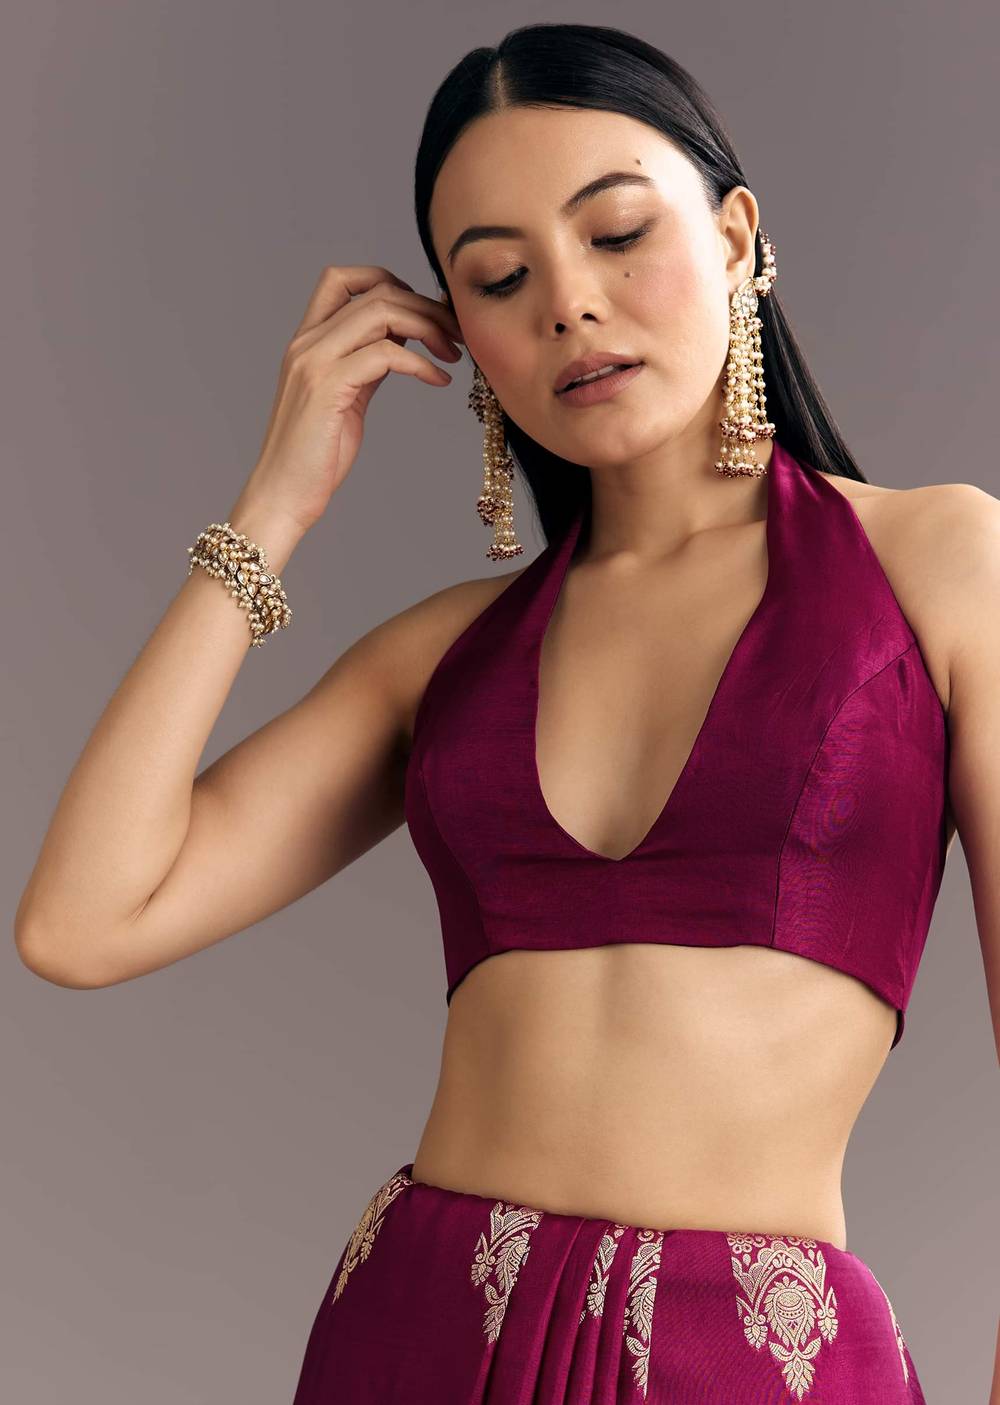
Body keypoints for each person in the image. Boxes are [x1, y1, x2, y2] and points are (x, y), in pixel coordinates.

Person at [14, 21, 999, 1405]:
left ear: (736, 238)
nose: (569, 306)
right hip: (416, 1337)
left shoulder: (940, 566)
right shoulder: (443, 660)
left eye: (617, 234)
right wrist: (275, 504)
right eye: (499, 275)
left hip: (750, 1357)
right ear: (462, 329)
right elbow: (78, 920)